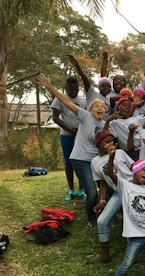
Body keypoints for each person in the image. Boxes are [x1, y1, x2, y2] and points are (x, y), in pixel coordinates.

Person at [36, 73, 105, 230]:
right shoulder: (85, 116)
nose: (100, 108)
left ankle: (107, 215)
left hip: (96, 161)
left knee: (105, 190)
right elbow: (66, 102)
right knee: (92, 193)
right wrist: (50, 87)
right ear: (90, 109)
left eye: (102, 106)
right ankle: (91, 220)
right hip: (81, 159)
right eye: (96, 106)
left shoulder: (106, 123)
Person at [89, 131, 133, 264]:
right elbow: (102, 182)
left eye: (112, 141)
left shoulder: (120, 153)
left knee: (130, 221)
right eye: (106, 142)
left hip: (132, 189)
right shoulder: (95, 162)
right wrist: (102, 200)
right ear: (99, 144)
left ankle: (133, 253)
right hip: (118, 193)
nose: (110, 144)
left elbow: (134, 167)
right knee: (101, 221)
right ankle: (105, 255)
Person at [51, 76, 86, 201]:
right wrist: (69, 129)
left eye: (76, 89)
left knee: (81, 161)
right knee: (68, 162)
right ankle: (71, 190)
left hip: (81, 135)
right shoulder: (59, 99)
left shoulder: (83, 100)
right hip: (66, 135)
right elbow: (55, 117)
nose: (74, 92)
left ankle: (82, 190)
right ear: (67, 88)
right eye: (71, 89)